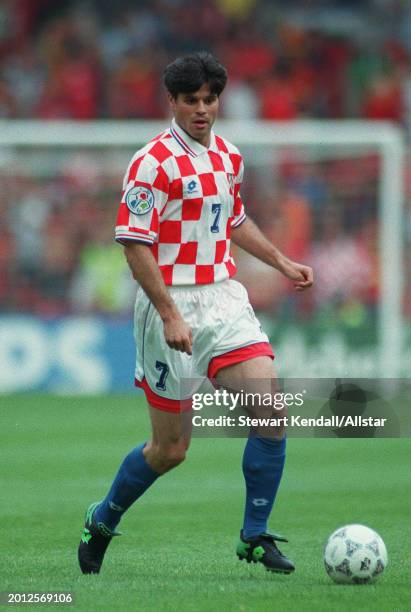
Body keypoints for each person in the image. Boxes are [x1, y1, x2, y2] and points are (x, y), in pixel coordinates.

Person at [78, 51, 313, 575]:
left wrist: (281, 261)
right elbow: (135, 245)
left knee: (271, 413)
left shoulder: (229, 156)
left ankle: (253, 536)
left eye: (210, 99)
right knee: (170, 449)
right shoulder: (151, 163)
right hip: (171, 303)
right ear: (173, 102)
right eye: (191, 100)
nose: (202, 109)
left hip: (223, 297)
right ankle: (103, 517)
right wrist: (168, 314)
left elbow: (233, 218)